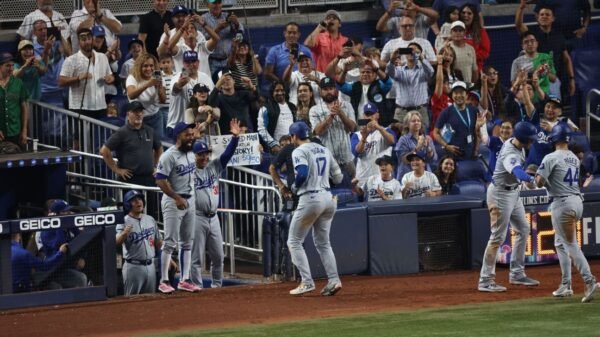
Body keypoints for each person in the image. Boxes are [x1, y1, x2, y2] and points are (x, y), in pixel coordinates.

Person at [535, 123, 600, 302]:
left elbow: (539, 183)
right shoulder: (573, 156)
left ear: (554, 138)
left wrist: (536, 175)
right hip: (577, 202)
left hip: (562, 204)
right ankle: (566, 284)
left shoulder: (550, 157)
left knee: (570, 245)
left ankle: (589, 280)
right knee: (561, 243)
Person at [478, 121, 540, 293]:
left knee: (523, 228)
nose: (532, 142)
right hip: (499, 195)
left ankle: (517, 273)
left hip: (512, 192)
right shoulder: (509, 152)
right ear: (523, 138)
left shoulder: (518, 144)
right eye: (530, 139)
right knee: (497, 237)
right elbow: (518, 172)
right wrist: (530, 180)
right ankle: (485, 280)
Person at [286, 121, 344, 296]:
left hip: (311, 197)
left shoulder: (299, 150)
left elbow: (302, 173)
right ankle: (334, 280)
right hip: (328, 198)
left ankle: (307, 282)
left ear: (294, 136)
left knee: (294, 241)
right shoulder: (324, 149)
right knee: (323, 243)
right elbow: (339, 177)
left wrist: (295, 187)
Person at [190, 118, 242, 289]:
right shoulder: (189, 170)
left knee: (218, 256)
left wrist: (235, 138)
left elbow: (227, 155)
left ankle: (217, 287)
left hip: (213, 218)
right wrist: (195, 140)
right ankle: (197, 287)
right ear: (194, 155)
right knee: (196, 257)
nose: (204, 157)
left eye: (206, 153)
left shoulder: (213, 166)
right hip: (197, 217)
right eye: (200, 154)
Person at [154, 122, 200, 293]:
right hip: (173, 201)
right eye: (187, 135)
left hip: (189, 200)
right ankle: (164, 280)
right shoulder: (168, 155)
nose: (191, 137)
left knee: (187, 242)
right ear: (178, 136)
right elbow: (159, 179)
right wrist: (176, 197)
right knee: (170, 242)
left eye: (191, 134)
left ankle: (185, 280)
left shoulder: (190, 153)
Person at [100, 101, 163, 214]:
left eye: (141, 112)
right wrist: (116, 169)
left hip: (149, 179)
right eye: (135, 112)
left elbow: (159, 148)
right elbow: (104, 150)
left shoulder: (149, 130)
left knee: (151, 212)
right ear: (128, 114)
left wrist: (157, 166)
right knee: (131, 213)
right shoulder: (122, 132)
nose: (139, 114)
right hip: (131, 179)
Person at [515, 1, 577, 97]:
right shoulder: (531, 34)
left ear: (553, 18)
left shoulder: (559, 36)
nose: (544, 16)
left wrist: (571, 79)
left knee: (554, 108)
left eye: (547, 15)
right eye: (541, 14)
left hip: (553, 80)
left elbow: (567, 59)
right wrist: (521, 8)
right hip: (534, 81)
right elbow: (519, 25)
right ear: (538, 18)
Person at [309, 77, 357, 185]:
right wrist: (331, 116)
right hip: (327, 162)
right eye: (325, 89)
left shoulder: (347, 105)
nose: (328, 91)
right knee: (330, 195)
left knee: (351, 192)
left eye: (331, 88)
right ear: (320, 91)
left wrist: (340, 113)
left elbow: (353, 128)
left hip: (347, 159)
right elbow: (317, 131)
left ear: (336, 90)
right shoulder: (314, 109)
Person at [58, 27, 114, 120]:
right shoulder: (71, 60)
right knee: (80, 135)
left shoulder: (103, 57)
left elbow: (110, 75)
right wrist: (78, 78)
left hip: (100, 105)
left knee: (98, 134)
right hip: (80, 108)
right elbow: (61, 81)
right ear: (78, 41)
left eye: (89, 38)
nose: (87, 42)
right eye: (83, 39)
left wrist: (110, 79)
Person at [116, 190, 163, 296]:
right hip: (133, 267)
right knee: (132, 301)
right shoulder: (123, 221)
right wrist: (124, 233)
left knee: (151, 300)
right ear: (128, 204)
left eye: (140, 199)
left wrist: (167, 259)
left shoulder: (150, 219)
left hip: (151, 266)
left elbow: (158, 242)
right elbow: (116, 242)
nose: (138, 202)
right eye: (134, 200)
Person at [40, 199, 89, 289]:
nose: (69, 213)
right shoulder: (46, 230)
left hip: (66, 265)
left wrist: (81, 257)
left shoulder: (68, 225)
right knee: (81, 279)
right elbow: (60, 244)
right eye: (66, 211)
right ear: (58, 214)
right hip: (53, 270)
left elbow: (79, 239)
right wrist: (58, 222)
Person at [386, 42, 434, 131]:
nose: (412, 53)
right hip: (402, 112)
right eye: (409, 51)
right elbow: (389, 72)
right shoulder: (399, 70)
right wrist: (392, 59)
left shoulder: (423, 71)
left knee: (422, 140)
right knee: (402, 141)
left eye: (415, 51)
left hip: (420, 111)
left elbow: (431, 72)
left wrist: (421, 57)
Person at [167, 50, 215, 134]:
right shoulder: (176, 78)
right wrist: (179, 84)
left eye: (193, 61)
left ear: (198, 62)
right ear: (183, 63)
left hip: (198, 127)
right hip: (177, 126)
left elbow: (212, 98)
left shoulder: (205, 77)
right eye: (187, 62)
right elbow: (174, 90)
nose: (191, 65)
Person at [351, 102, 396, 185]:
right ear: (364, 116)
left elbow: (392, 141)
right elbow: (356, 152)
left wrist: (379, 128)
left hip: (382, 177)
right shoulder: (357, 135)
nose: (370, 117)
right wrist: (364, 138)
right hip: (363, 177)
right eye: (367, 114)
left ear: (377, 115)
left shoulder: (386, 130)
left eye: (372, 114)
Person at [433, 81, 480, 160]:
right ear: (452, 95)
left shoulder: (473, 110)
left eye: (461, 92)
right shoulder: (446, 112)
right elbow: (435, 133)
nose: (458, 95)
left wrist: (476, 151)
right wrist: (446, 146)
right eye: (455, 93)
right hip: (453, 154)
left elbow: (477, 133)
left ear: (466, 95)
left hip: (470, 152)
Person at [201, 0, 245, 81]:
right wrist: (218, 29)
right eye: (214, 3)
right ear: (208, 5)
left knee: (229, 85)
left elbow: (240, 33)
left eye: (219, 3)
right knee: (215, 85)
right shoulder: (203, 18)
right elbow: (202, 39)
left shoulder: (227, 16)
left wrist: (237, 23)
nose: (217, 5)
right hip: (212, 61)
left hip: (228, 60)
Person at [126, 53, 167, 140]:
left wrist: (159, 88)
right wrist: (148, 84)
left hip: (155, 117)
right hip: (136, 117)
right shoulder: (133, 77)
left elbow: (163, 100)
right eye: (145, 66)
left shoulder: (158, 76)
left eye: (151, 65)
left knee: (158, 145)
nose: (149, 68)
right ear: (139, 67)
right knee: (136, 145)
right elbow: (131, 95)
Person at [208, 69, 257, 134]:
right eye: (223, 80)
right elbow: (210, 103)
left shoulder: (243, 94)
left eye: (228, 79)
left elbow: (257, 97)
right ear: (219, 83)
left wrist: (251, 86)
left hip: (246, 132)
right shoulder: (219, 98)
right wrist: (217, 86)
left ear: (234, 81)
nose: (226, 82)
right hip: (227, 134)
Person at [510, 32, 556, 97]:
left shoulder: (546, 57)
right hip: (527, 99)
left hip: (544, 96)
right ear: (522, 46)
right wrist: (533, 76)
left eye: (532, 41)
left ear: (537, 43)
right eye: (526, 42)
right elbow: (514, 84)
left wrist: (544, 72)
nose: (530, 44)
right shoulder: (516, 62)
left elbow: (553, 79)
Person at [257, 80, 297, 154]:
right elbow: (261, 129)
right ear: (272, 93)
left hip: (292, 146)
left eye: (282, 90)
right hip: (276, 149)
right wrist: (273, 144)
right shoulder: (265, 108)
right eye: (277, 90)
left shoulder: (292, 107)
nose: (280, 93)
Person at [395, 111, 437, 180]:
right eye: (413, 121)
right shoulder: (403, 140)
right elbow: (404, 160)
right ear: (407, 124)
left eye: (418, 121)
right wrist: (418, 147)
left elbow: (433, 159)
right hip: (408, 178)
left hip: (425, 177)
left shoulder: (427, 138)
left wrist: (428, 148)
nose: (416, 122)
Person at [0, 52, 29, 150]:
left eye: (12, 65)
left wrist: (24, 130)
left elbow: (24, 107)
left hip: (15, 131)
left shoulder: (18, 83)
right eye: (7, 65)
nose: (11, 68)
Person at [459, 4, 489, 72]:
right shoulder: (454, 30)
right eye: (463, 13)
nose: (465, 15)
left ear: (474, 16)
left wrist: (470, 56)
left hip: (475, 69)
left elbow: (485, 52)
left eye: (469, 13)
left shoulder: (481, 31)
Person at [449, 21, 478, 85]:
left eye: (460, 30)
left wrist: (474, 86)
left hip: (469, 87)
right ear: (451, 33)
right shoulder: (446, 48)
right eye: (455, 30)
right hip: (453, 88)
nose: (458, 33)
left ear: (465, 33)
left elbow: (474, 70)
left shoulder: (471, 49)